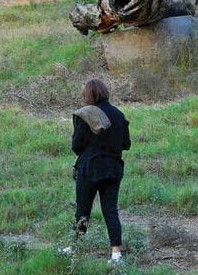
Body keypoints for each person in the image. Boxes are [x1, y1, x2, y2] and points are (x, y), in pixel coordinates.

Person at [65, 79, 131, 266]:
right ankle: (116, 255)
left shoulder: (85, 114)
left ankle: (74, 249)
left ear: (88, 94)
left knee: (82, 211)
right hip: (114, 169)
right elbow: (126, 144)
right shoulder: (119, 114)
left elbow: (76, 145)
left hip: (89, 169)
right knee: (111, 211)